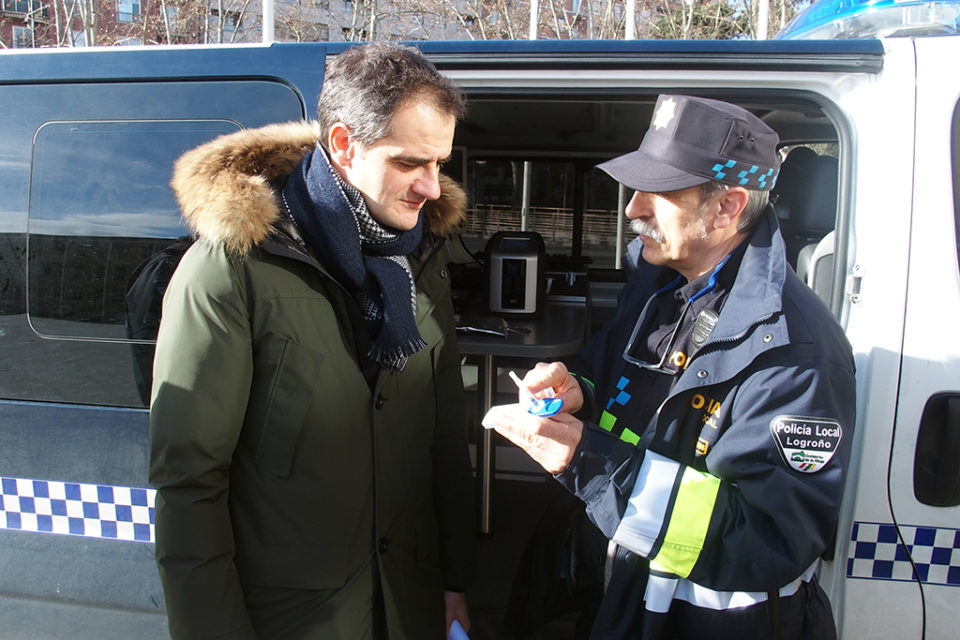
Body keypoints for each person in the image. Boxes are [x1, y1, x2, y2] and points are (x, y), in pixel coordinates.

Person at [483, 94, 855, 639]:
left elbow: (768, 539)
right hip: (621, 590)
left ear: (726, 207)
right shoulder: (661, 286)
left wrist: (587, 460)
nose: (633, 208)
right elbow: (609, 375)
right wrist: (577, 390)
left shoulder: (794, 351)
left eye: (657, 193)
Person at [149, 43, 475, 640]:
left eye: (440, 163)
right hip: (293, 619)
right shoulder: (233, 268)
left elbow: (443, 440)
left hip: (408, 602)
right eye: (410, 163)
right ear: (345, 145)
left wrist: (452, 582)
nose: (431, 186)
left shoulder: (422, 259)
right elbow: (189, 482)